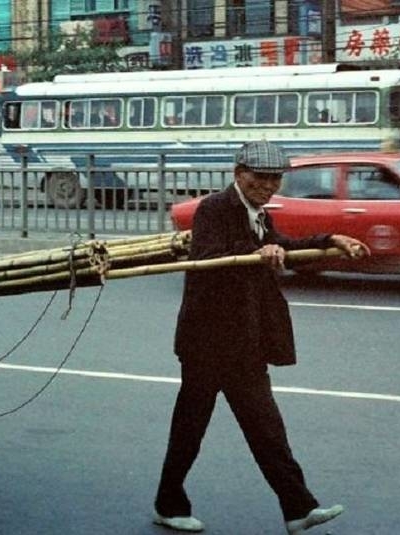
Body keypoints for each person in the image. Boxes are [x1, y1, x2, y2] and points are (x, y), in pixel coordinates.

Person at [153, 140, 370, 534]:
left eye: (274, 179)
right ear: (239, 174)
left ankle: (298, 508)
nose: (267, 185)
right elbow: (209, 259)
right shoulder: (215, 208)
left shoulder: (258, 213)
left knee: (266, 428)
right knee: (190, 429)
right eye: (260, 177)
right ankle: (168, 504)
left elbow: (282, 246)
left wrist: (329, 242)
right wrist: (258, 250)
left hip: (244, 344)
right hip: (207, 342)